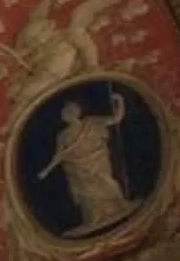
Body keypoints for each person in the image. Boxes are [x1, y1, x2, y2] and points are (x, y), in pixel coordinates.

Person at [34, 88, 139, 235]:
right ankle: (94, 218)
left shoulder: (92, 122)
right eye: (65, 113)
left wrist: (119, 101)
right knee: (86, 194)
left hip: (97, 161)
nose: (67, 114)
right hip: (78, 169)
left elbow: (116, 118)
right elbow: (59, 155)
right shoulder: (63, 136)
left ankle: (121, 204)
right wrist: (47, 169)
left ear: (76, 112)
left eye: (69, 111)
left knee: (107, 182)